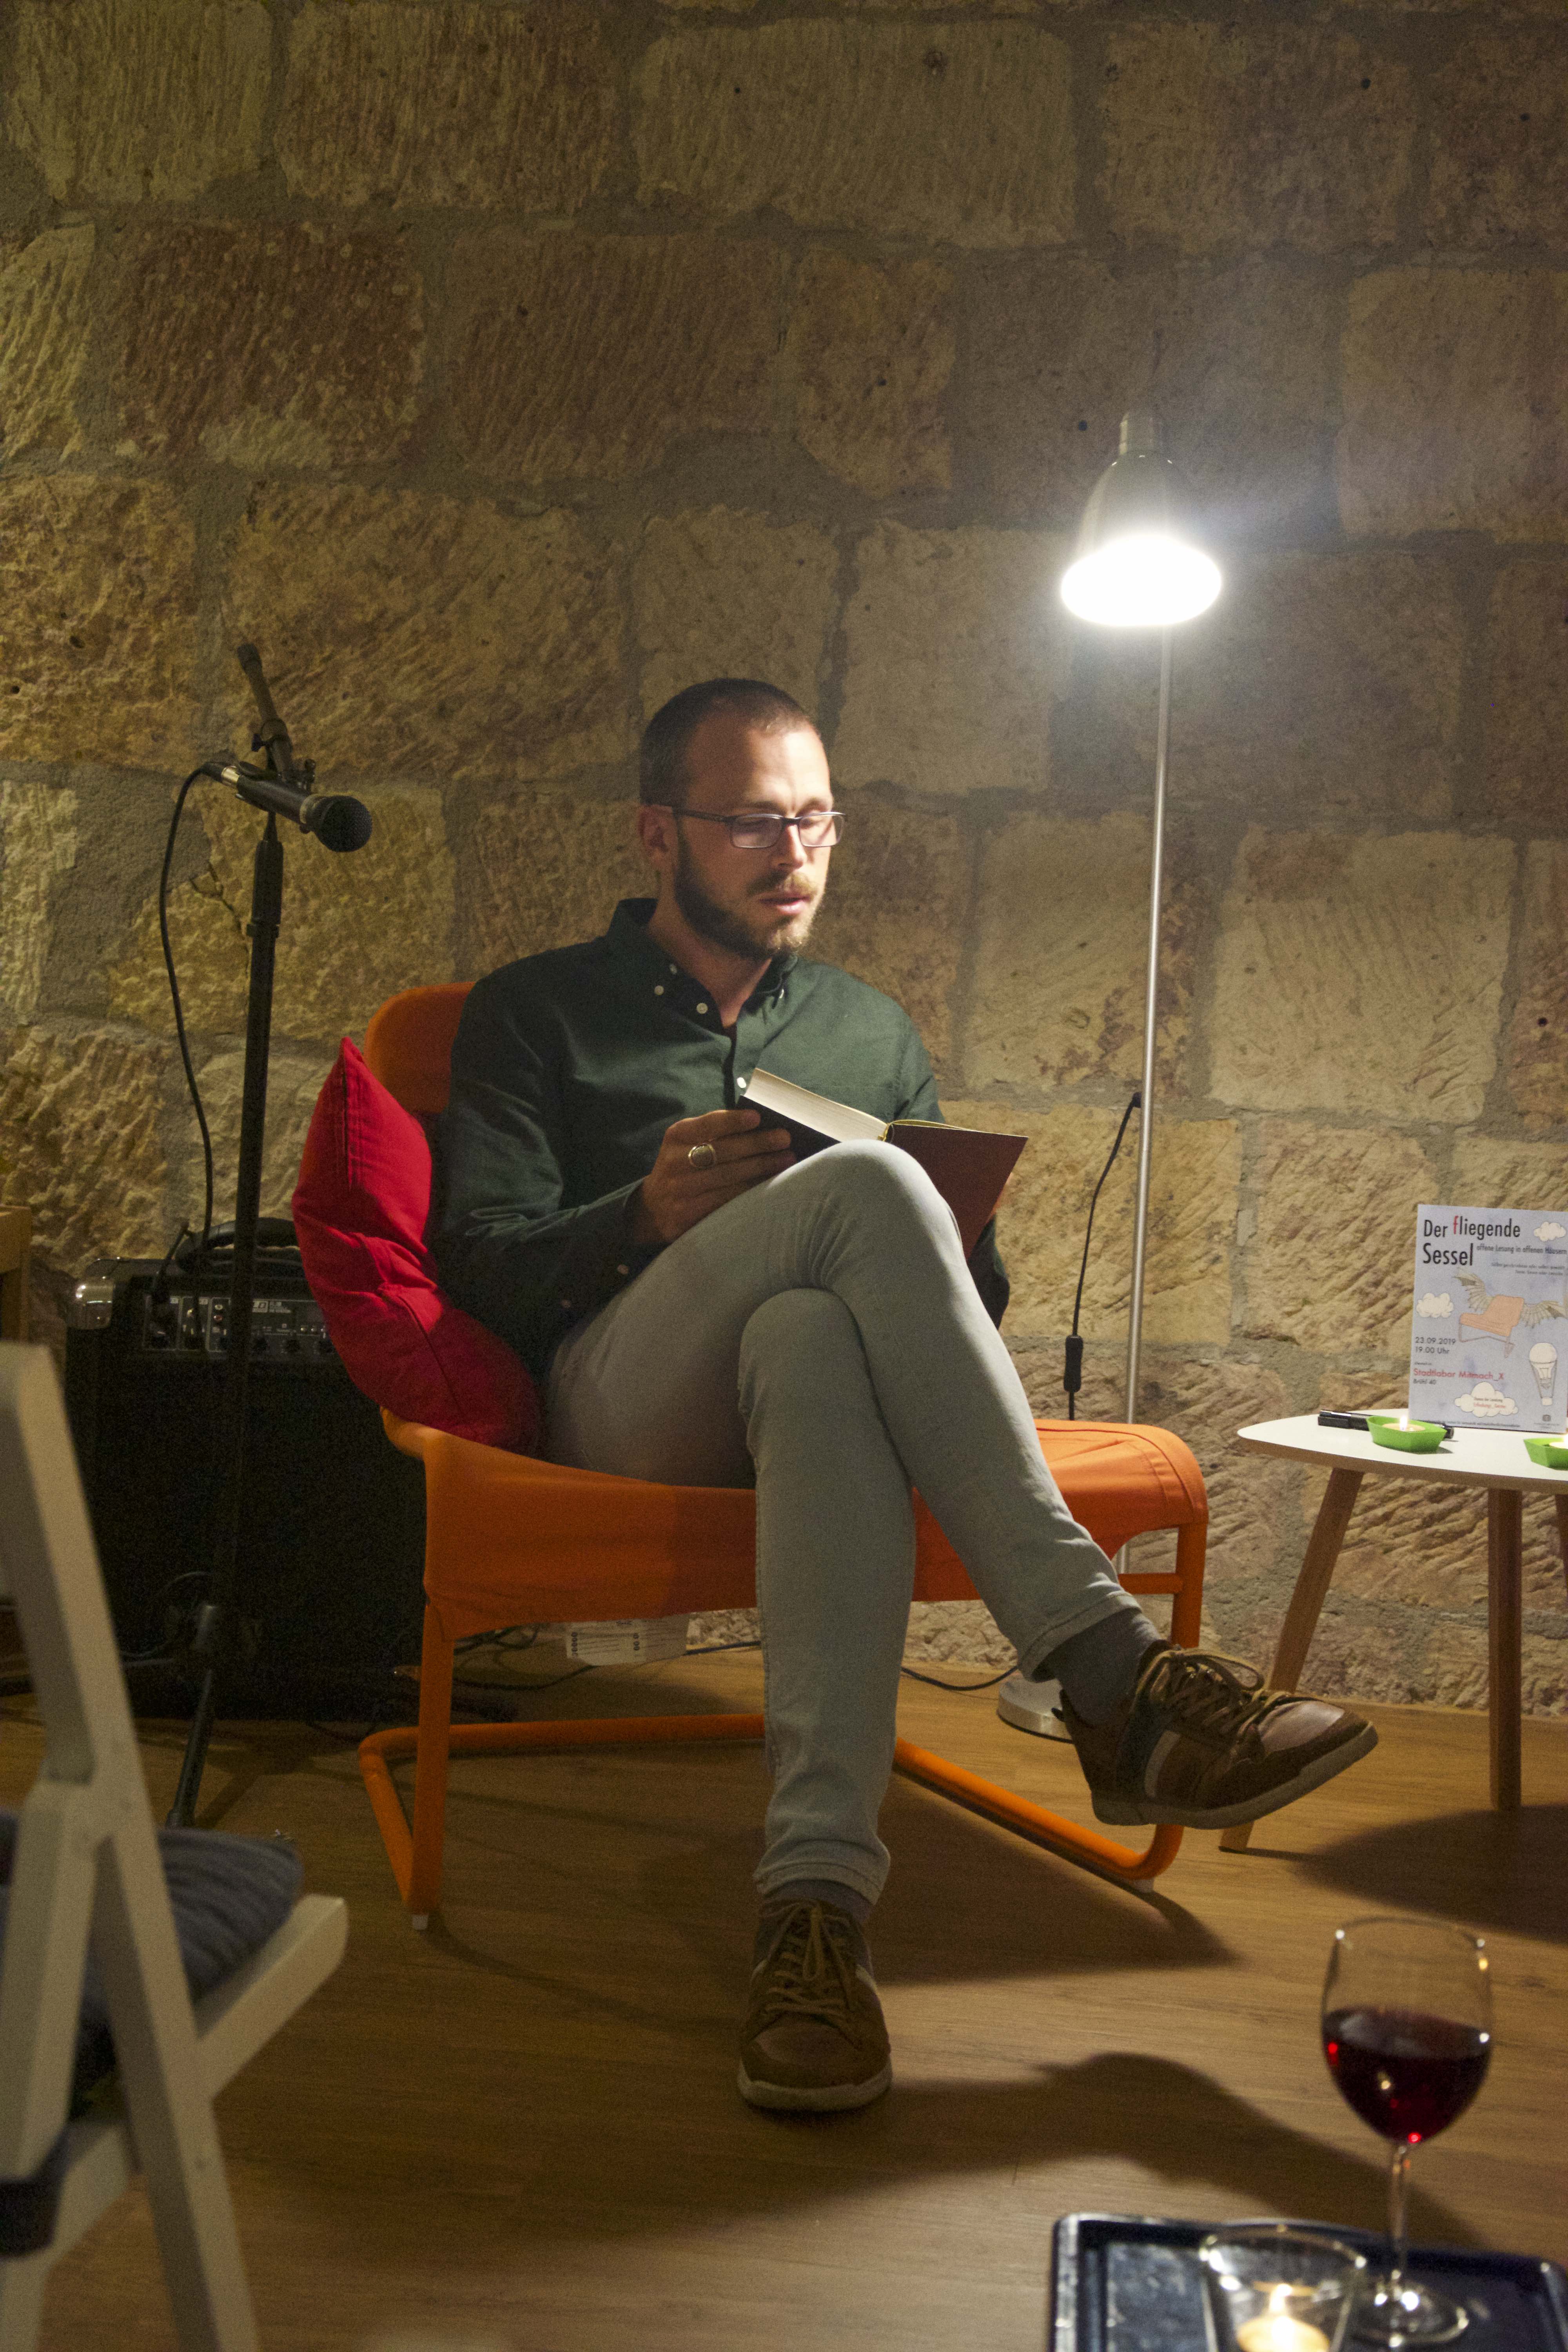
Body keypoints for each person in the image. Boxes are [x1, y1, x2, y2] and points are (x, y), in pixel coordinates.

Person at [434, 678, 1376, 2116]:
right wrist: (640, 1215)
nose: (795, 853)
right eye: (756, 821)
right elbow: (483, 1270)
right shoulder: (536, 1010)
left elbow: (960, 1305)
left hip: (798, 1394)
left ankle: (814, 1911)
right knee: (867, 1187)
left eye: (817, 820)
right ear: (657, 833)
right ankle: (1108, 1671)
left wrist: (948, 1236)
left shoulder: (868, 1029)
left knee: (816, 1335)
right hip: (616, 1398)